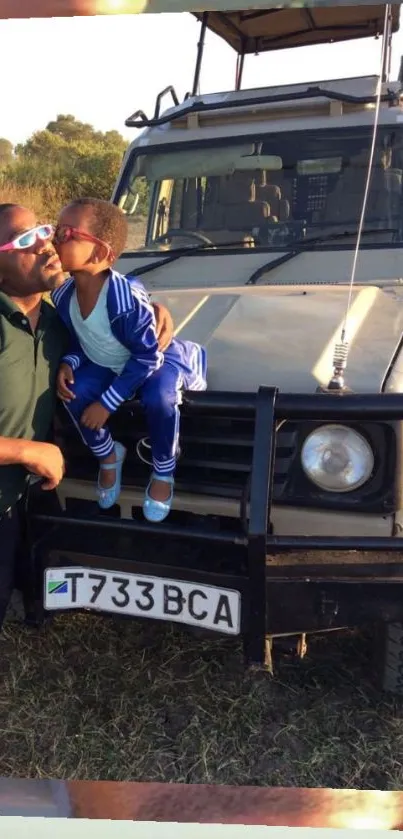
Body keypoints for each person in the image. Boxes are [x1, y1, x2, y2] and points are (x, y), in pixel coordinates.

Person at [0, 202, 175, 628]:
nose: (47, 245)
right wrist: (26, 450)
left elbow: (110, 310)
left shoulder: (59, 317)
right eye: (25, 241)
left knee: (33, 592)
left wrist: (153, 311)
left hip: (31, 498)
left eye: (44, 231)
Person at [52, 197, 207, 523]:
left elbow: (148, 356)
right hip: (110, 362)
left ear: (99, 253)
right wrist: (69, 362)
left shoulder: (123, 301)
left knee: (160, 396)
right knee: (73, 392)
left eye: (67, 234)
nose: (56, 239)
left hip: (152, 359)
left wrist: (108, 403)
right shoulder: (63, 295)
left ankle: (164, 469)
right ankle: (108, 455)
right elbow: (84, 341)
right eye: (56, 230)